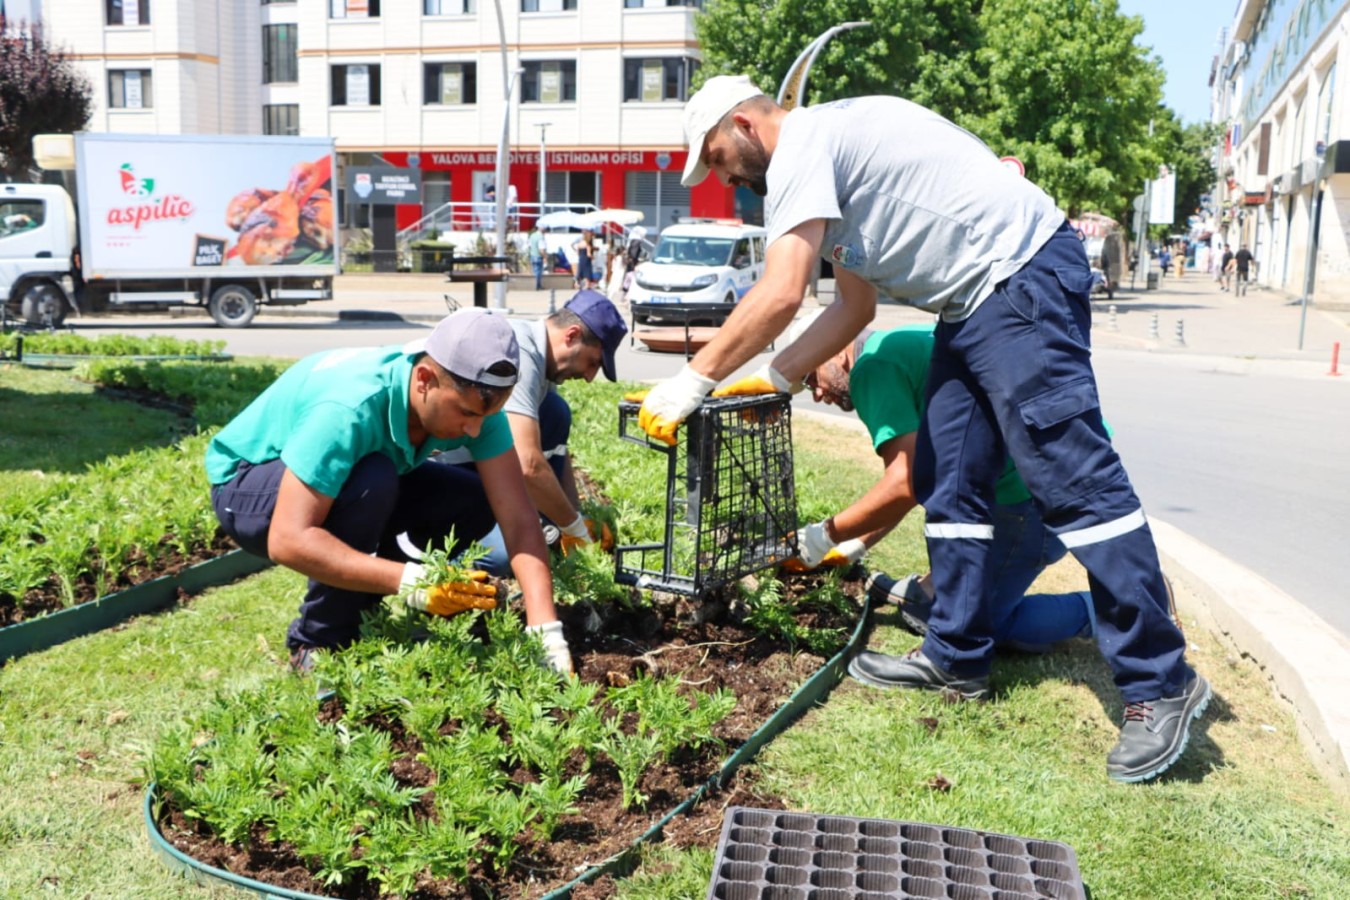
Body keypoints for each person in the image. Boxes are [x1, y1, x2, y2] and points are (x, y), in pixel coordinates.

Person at [636, 75, 1207, 783]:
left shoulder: (804, 145)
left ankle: (1161, 681)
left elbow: (782, 290)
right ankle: (956, 656)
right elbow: (852, 309)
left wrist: (696, 378)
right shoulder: (829, 165)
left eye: (717, 157)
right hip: (971, 305)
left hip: (1018, 276)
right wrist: (780, 377)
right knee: (952, 476)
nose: (722, 178)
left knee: (1072, 478)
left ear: (745, 126)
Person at [204, 308, 573, 676]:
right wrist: (410, 581)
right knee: (373, 479)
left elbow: (518, 516)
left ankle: (364, 608)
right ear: (425, 379)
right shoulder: (350, 406)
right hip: (246, 486)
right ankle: (317, 640)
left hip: (349, 472)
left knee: (472, 499)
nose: (474, 431)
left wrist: (547, 633)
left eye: (483, 417)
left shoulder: (475, 406)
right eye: (465, 414)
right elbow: (288, 539)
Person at [786, 317, 1095, 654]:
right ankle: (928, 590)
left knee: (966, 628)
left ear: (832, 348)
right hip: (1069, 464)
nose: (816, 394)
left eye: (809, 377)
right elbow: (919, 478)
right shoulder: (899, 343)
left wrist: (823, 537)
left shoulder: (872, 369)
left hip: (1032, 497)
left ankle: (1115, 609)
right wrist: (854, 545)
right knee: (939, 597)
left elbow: (902, 484)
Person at [438, 291, 628, 573]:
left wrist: (576, 519)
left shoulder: (542, 357)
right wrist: (573, 527)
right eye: (593, 363)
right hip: (445, 475)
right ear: (572, 335)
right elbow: (527, 464)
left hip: (484, 467)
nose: (590, 377)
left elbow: (555, 452)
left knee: (555, 410)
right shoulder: (519, 353)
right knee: (507, 555)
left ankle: (534, 519)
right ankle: (431, 564)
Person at [528, 224, 547, 290]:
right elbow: (541, 250)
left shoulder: (532, 235)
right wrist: (545, 257)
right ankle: (537, 286)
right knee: (538, 273)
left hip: (532, 255)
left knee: (535, 271)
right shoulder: (540, 237)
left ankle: (537, 285)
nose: (545, 230)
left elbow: (529, 246)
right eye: (545, 228)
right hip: (538, 257)